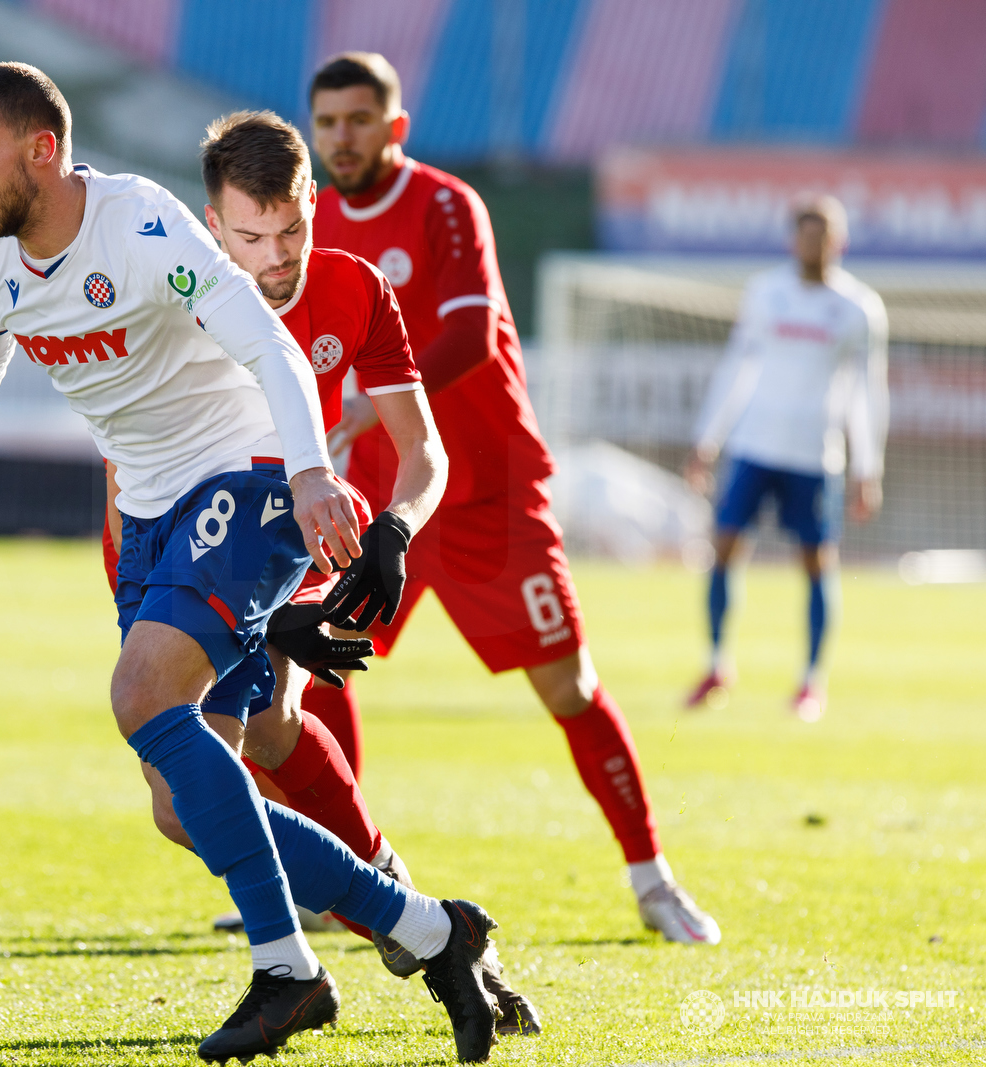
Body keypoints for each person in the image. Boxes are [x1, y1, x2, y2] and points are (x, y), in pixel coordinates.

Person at [0, 63, 505, 1064]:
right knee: (181, 805)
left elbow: (271, 348)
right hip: (152, 517)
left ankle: (288, 970)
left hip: (243, 480)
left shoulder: (141, 224)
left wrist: (309, 473)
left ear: (41, 150)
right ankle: (427, 928)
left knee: (139, 695)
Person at [102, 110, 541, 1036]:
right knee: (219, 773)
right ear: (211, 227)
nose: (275, 256)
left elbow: (425, 454)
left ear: (315, 205)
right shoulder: (173, 299)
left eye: (292, 227)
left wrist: (395, 530)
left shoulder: (353, 289)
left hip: (271, 539)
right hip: (166, 542)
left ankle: (368, 943)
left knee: (242, 753)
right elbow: (129, 475)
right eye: (250, 236)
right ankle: (423, 926)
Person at [306, 52, 720, 945]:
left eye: (358, 120)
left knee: (568, 684)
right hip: (386, 500)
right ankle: (349, 872)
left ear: (394, 127)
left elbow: (469, 335)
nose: (342, 138)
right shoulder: (312, 218)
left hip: (490, 492)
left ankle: (651, 878)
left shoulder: (448, 205)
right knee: (310, 667)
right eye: (328, 122)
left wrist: (365, 401)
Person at [684, 196, 889, 722]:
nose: (812, 244)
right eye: (805, 234)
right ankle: (716, 664)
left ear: (838, 242)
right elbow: (737, 367)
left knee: (817, 563)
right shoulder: (766, 293)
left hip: (816, 455)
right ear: (791, 239)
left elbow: (869, 391)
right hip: (755, 446)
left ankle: (810, 682)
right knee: (725, 546)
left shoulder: (857, 308)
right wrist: (708, 439)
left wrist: (869, 466)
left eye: (823, 235)